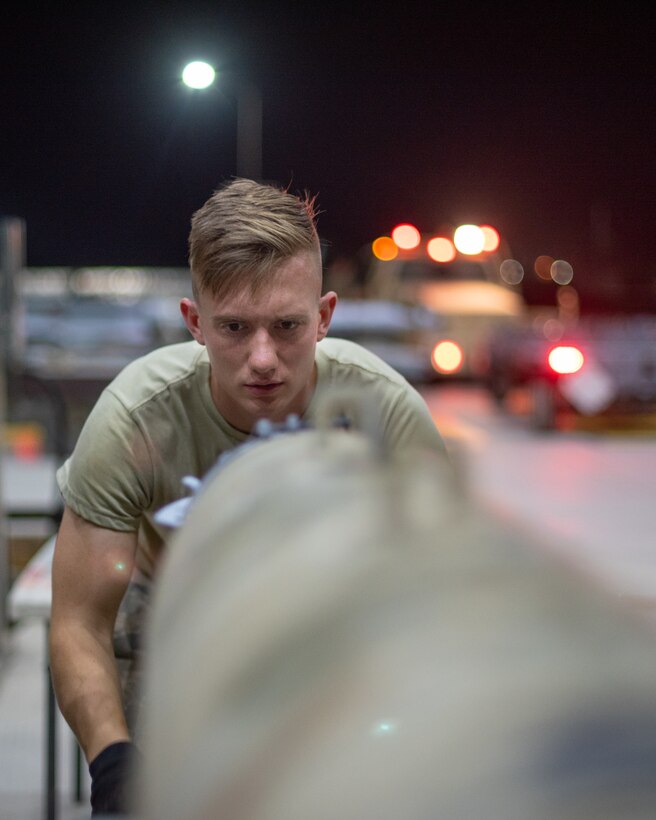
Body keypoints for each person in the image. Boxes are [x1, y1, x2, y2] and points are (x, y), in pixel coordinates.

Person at [49, 177, 447, 816]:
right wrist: (114, 764)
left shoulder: (385, 415)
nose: (263, 359)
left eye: (287, 326)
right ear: (194, 323)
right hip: (174, 626)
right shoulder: (135, 420)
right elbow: (80, 623)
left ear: (324, 317)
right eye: (234, 327)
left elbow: (438, 609)